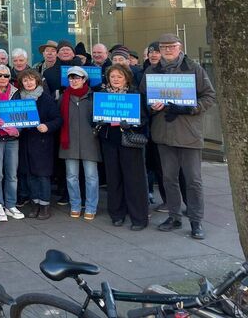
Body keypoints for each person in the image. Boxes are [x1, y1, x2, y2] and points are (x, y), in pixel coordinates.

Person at [140, 33, 216, 240]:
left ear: (179, 46)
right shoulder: (151, 71)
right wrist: (152, 107)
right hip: (163, 132)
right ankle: (174, 217)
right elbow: (144, 97)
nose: (167, 50)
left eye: (171, 46)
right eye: (163, 47)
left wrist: (190, 108)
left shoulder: (194, 68)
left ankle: (196, 220)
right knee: (168, 178)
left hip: (188, 133)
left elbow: (209, 96)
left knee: (193, 180)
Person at [98, 65, 150, 230]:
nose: (115, 79)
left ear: (126, 78)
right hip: (109, 141)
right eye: (112, 76)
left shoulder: (135, 95)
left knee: (134, 180)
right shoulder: (102, 95)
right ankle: (117, 214)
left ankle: (139, 218)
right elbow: (94, 118)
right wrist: (98, 121)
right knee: (113, 179)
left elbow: (144, 119)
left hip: (129, 141)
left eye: (119, 76)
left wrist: (132, 124)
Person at [15, 69, 62, 219]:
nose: (28, 83)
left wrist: (47, 126)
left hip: (42, 142)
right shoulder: (18, 97)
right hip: (25, 141)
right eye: (25, 80)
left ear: (37, 81)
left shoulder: (46, 98)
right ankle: (35, 204)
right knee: (30, 175)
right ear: (21, 83)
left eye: (31, 79)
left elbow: (57, 119)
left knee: (42, 176)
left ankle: (45, 205)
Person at [59, 66, 101, 220]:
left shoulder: (93, 97)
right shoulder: (63, 97)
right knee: (71, 176)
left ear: (84, 80)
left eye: (77, 78)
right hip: (69, 142)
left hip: (90, 141)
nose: (74, 81)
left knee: (91, 177)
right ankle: (75, 205)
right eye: (71, 78)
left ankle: (91, 206)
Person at [0, 65, 24, 222]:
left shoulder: (16, 92)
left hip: (12, 139)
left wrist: (18, 130)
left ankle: (10, 204)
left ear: (10, 77)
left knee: (12, 174)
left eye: (6, 75)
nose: (2, 78)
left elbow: (23, 114)